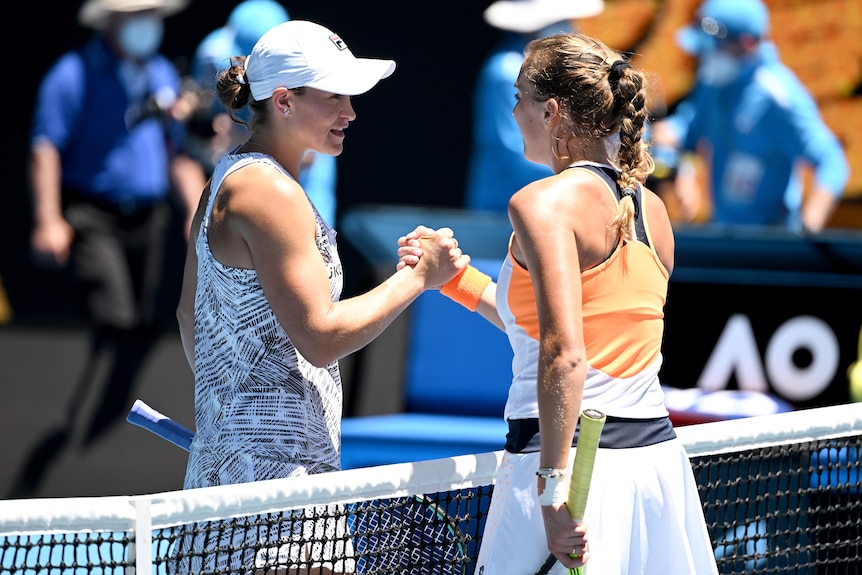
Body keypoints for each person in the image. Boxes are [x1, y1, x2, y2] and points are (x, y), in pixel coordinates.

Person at [400, 32, 719, 573]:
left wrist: (552, 491)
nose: (514, 109)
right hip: (654, 471)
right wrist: (459, 281)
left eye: (519, 97)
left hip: (572, 473)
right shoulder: (655, 212)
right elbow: (566, 330)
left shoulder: (541, 203)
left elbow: (565, 353)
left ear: (550, 112)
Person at [173, 20, 466, 573]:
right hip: (277, 513)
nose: (349, 112)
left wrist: (233, 420)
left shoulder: (228, 177)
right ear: (283, 100)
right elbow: (322, 336)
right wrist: (417, 279)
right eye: (332, 96)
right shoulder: (270, 193)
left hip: (229, 488)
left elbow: (190, 317)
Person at [13, 0, 206, 497]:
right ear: (111, 20)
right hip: (91, 213)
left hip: (150, 217)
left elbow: (176, 153)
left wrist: (195, 212)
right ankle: (83, 425)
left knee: (142, 319)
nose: (149, 23)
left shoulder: (162, 73)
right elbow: (45, 145)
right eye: (136, 12)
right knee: (116, 313)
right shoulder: (71, 74)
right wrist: (48, 218)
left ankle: (122, 422)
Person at [650, 0, 849, 234]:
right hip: (723, 233)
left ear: (747, 44)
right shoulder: (714, 82)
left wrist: (808, 228)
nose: (705, 56)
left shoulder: (778, 97)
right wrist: (680, 166)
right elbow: (687, 131)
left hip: (771, 243)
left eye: (715, 47)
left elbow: (832, 162)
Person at [184, 0, 339, 225]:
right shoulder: (212, 54)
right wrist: (196, 210)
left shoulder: (302, 73)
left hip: (303, 212)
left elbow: (310, 155)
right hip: (238, 216)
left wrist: (240, 139)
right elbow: (189, 145)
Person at [464, 0, 605, 212]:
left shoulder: (565, 72)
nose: (571, 27)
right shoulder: (506, 71)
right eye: (561, 20)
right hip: (503, 209)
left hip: (553, 202)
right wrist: (591, 171)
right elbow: (516, 154)